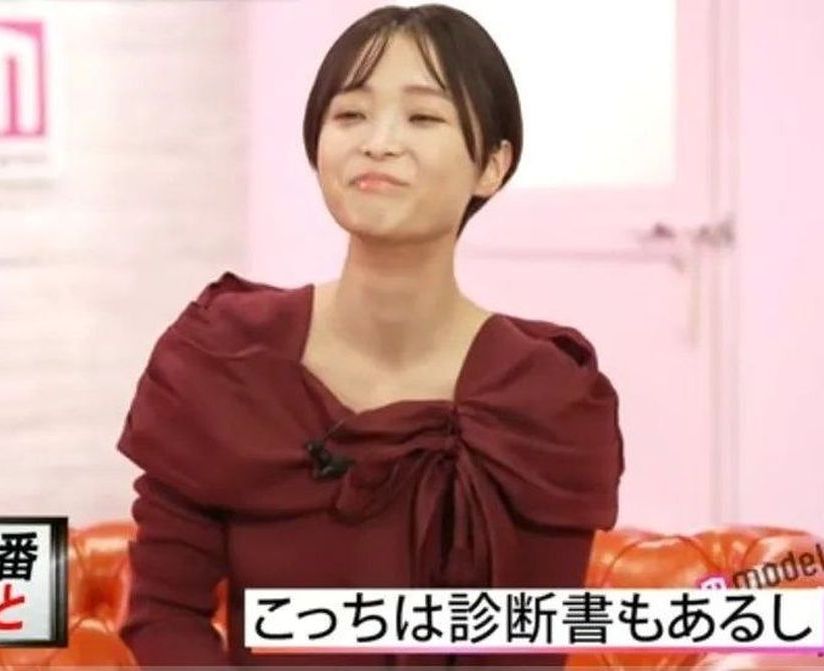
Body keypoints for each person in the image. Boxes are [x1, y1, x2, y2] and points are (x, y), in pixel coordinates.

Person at [117, 3, 625, 668]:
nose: (378, 141)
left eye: (423, 117)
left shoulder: (544, 399)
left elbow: (525, 646)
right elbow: (163, 612)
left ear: (492, 166)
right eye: (351, 114)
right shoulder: (225, 357)